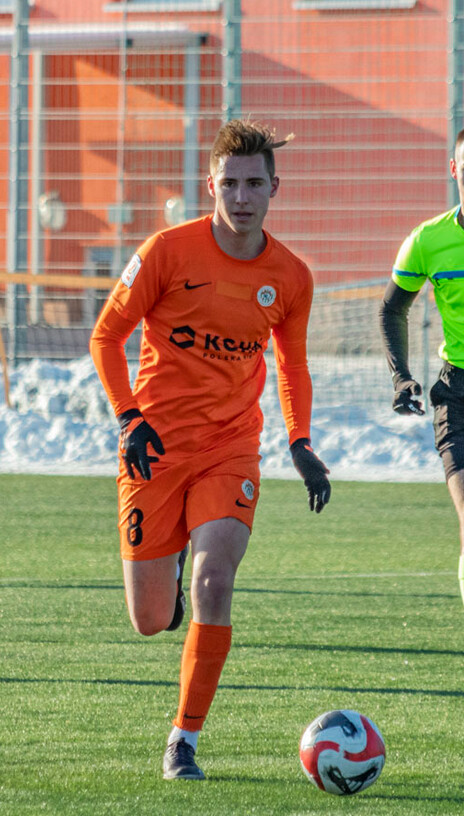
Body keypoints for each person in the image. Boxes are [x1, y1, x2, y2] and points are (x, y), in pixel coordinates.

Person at [89, 119, 331, 781]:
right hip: (154, 446)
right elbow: (106, 339)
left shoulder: (290, 276)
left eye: (255, 183)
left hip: (230, 447)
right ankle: (162, 585)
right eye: (230, 184)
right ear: (211, 186)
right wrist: (129, 417)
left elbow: (292, 367)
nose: (242, 196)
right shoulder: (167, 251)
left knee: (214, 582)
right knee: (149, 620)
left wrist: (300, 441)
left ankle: (183, 741)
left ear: (274, 187)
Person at [379, 127, 464, 608]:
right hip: (458, 393)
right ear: (454, 171)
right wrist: (401, 375)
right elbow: (392, 309)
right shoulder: (428, 241)